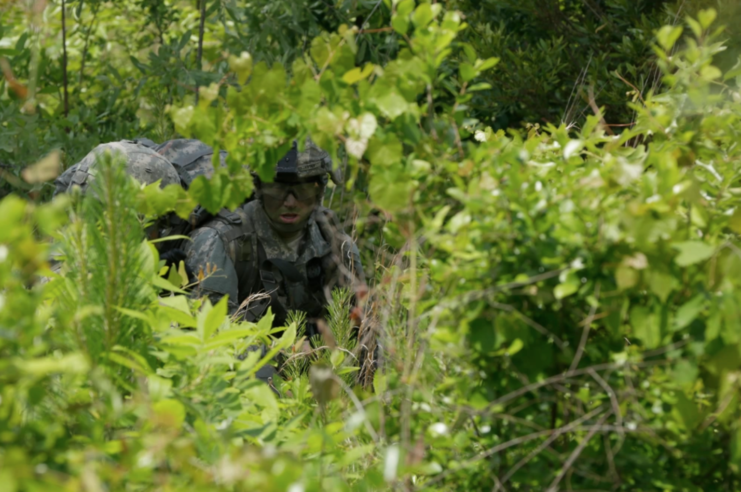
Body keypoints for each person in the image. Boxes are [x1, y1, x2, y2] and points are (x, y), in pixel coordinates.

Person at [183, 138, 367, 332]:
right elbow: (213, 335)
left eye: (302, 189)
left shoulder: (332, 241)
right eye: (277, 189)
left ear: (319, 191)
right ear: (258, 189)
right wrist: (287, 354)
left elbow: (361, 327)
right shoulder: (220, 242)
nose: (290, 202)